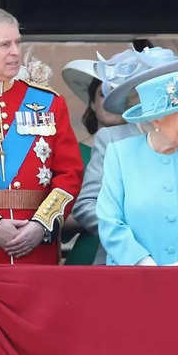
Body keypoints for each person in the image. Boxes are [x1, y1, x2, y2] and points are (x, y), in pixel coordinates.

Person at [0, 8, 83, 264]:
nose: (15, 52)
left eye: (17, 43)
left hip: (37, 253)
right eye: (4, 45)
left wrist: (41, 225)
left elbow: (70, 174)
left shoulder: (49, 102)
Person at [70, 47, 178, 265]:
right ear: (138, 94)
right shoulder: (111, 139)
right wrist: (131, 237)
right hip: (121, 265)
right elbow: (87, 205)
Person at [97, 66, 178, 266]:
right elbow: (109, 222)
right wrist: (143, 263)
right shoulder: (120, 154)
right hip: (132, 279)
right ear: (156, 118)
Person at [60, 58, 126, 264]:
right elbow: (57, 216)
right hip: (87, 253)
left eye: (118, 94)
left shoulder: (147, 150)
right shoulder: (73, 152)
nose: (110, 101)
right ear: (91, 102)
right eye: (104, 93)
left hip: (135, 257)